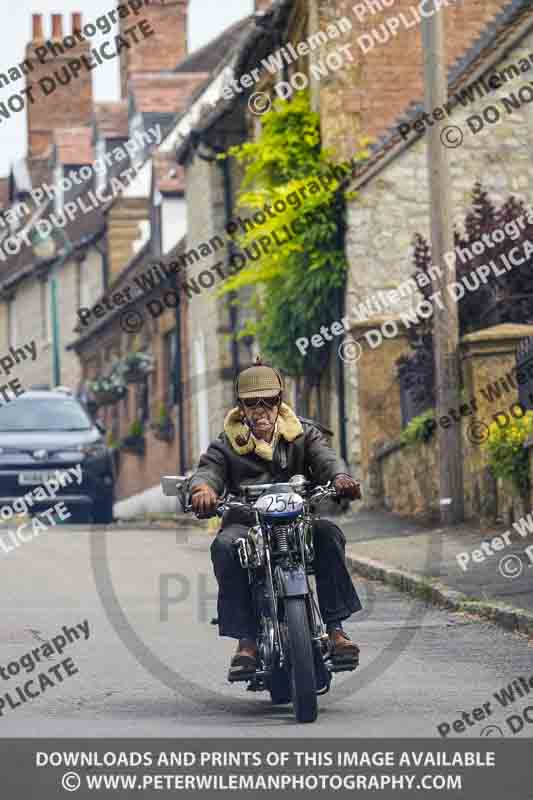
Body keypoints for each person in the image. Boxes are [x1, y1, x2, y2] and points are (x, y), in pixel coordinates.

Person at [190, 360, 363, 676]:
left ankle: (336, 631)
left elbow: (325, 457)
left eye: (268, 401)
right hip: (245, 521)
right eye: (252, 403)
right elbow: (209, 470)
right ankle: (247, 642)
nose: (261, 410)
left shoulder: (302, 434)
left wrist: (340, 477)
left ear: (279, 401)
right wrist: (203, 489)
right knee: (225, 547)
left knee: (328, 534)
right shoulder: (227, 442)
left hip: (296, 520)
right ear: (241, 406)